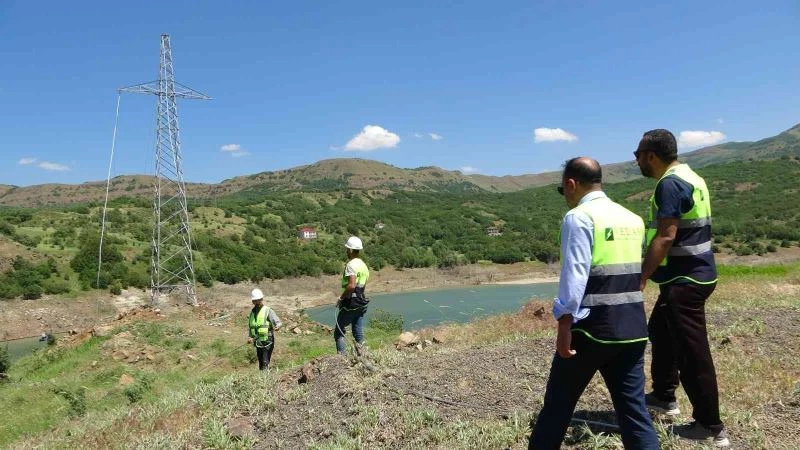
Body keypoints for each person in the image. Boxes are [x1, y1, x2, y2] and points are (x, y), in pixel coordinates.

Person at [530, 157, 658, 450]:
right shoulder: (631, 219)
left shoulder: (579, 218)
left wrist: (564, 324)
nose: (566, 198)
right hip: (633, 327)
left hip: (591, 331)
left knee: (557, 408)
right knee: (634, 412)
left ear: (571, 184)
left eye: (564, 191)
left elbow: (574, 277)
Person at [636, 129, 729, 447]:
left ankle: (710, 425)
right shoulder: (691, 176)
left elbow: (665, 236)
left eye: (638, 155)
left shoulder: (670, 184)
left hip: (685, 281)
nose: (636, 161)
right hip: (691, 275)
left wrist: (643, 274)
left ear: (651, 156)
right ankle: (664, 396)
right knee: (661, 330)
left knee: (692, 353)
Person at [334, 236, 370, 355]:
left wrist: (341, 298)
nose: (346, 251)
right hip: (361, 301)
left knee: (339, 332)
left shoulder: (351, 265)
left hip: (350, 303)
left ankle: (342, 359)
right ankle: (363, 354)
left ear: (350, 250)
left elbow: (351, 285)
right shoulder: (363, 265)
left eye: (347, 249)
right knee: (357, 331)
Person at [247, 288, 282, 371]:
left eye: (258, 300)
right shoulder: (252, 313)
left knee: (265, 362)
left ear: (261, 299)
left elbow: (278, 322)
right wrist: (250, 337)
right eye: (255, 300)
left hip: (267, 341)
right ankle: (263, 379)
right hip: (258, 342)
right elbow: (251, 327)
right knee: (261, 363)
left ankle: (266, 380)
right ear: (252, 301)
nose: (256, 302)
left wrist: (278, 326)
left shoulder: (267, 310)